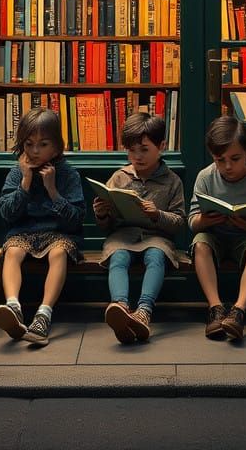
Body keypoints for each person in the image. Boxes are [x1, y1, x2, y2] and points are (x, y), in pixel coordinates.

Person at [0, 108, 84, 346]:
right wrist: (24, 184)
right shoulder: (18, 172)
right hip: (24, 232)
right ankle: (13, 306)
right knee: (12, 250)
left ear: (56, 147)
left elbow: (75, 219)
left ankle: (44, 314)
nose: (34, 151)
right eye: (29, 144)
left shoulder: (68, 174)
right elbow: (7, 213)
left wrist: (53, 191)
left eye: (43, 144)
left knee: (59, 252)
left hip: (59, 234)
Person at [93, 112, 186, 344]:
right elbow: (107, 227)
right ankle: (120, 307)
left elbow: (179, 222)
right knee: (118, 256)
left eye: (144, 149)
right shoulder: (119, 178)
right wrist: (102, 214)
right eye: (132, 150)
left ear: (161, 146)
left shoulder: (172, 181)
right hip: (122, 236)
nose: (137, 156)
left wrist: (158, 215)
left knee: (155, 256)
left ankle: (144, 311)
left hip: (156, 237)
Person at [188, 115, 246, 341]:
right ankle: (216, 308)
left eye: (235, 158)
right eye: (220, 160)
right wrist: (206, 220)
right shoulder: (206, 177)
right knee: (200, 243)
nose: (227, 166)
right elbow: (192, 221)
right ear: (212, 157)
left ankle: (238, 311)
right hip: (214, 235)